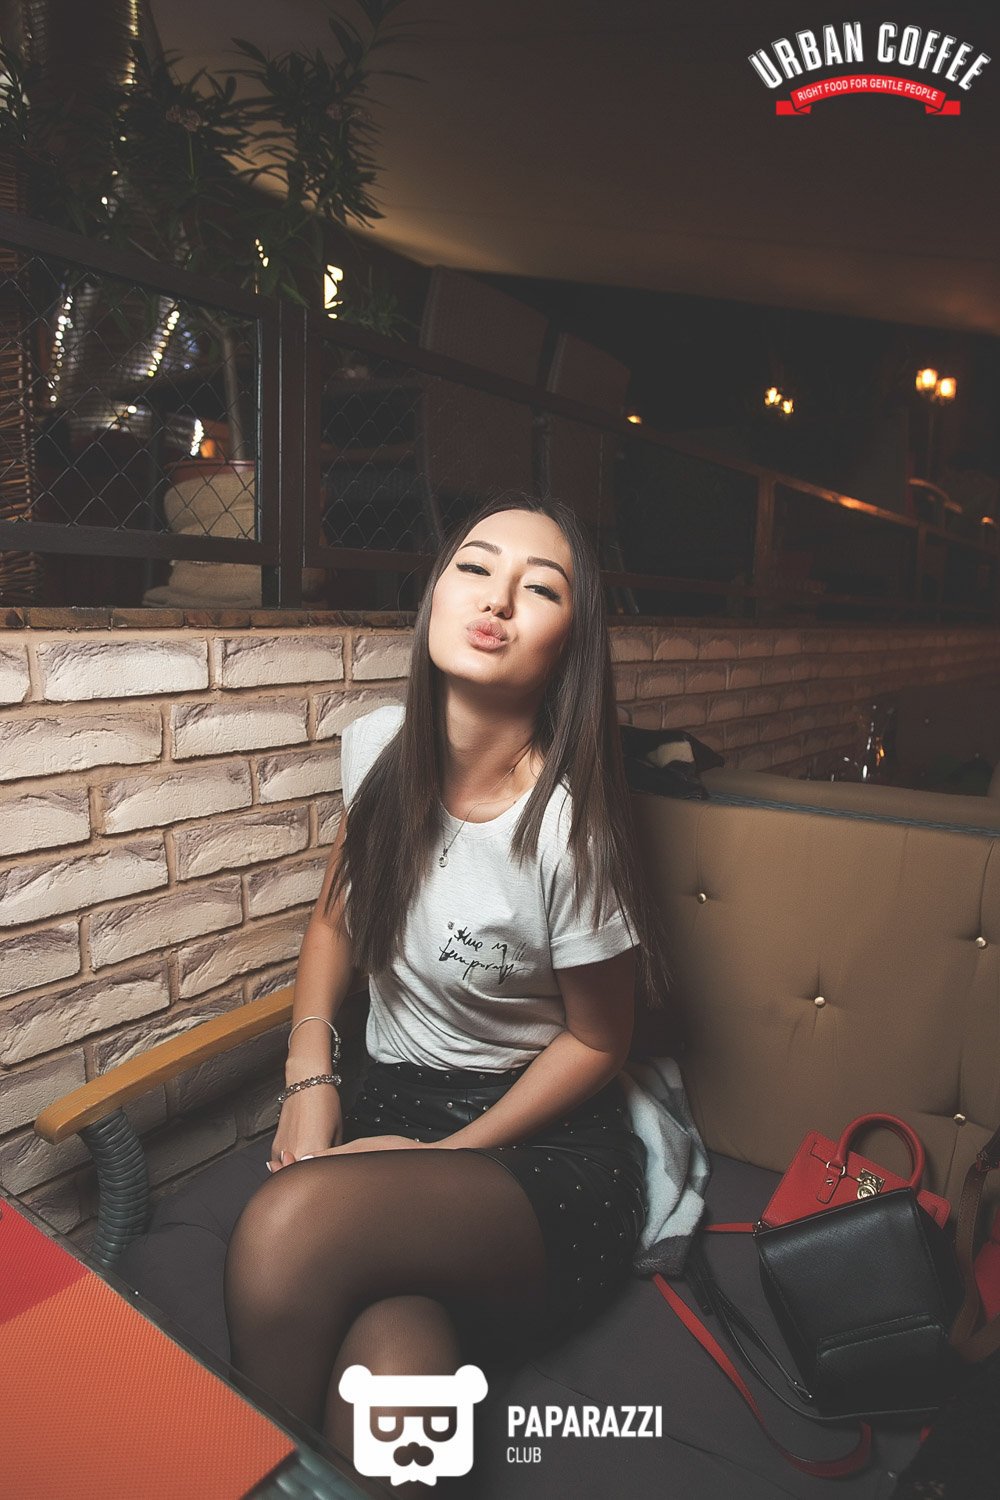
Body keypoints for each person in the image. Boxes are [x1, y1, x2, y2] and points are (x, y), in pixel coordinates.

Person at [223, 494, 672, 1477]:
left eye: (539, 588)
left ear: (570, 644)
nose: (496, 599)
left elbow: (601, 1041)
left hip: (537, 1150)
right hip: (390, 1095)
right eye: (474, 566)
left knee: (288, 1224)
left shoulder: (567, 831)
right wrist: (310, 1077)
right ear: (434, 594)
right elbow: (335, 921)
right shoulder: (377, 749)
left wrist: (447, 1156)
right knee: (392, 1359)